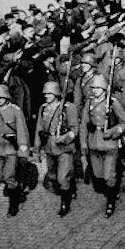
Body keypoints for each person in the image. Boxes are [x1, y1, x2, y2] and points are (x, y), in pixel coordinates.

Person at [80, 74, 125, 217]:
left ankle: (111, 201)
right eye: (93, 88)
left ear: (104, 89)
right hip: (94, 142)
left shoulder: (113, 103)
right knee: (98, 174)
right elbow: (84, 125)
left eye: (98, 88)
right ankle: (112, 186)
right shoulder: (89, 103)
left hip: (109, 143)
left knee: (109, 176)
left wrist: (113, 131)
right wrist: (83, 143)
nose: (95, 90)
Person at [33, 81, 79, 217]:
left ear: (56, 94)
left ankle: (65, 204)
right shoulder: (43, 108)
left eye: (49, 93)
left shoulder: (67, 107)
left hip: (64, 147)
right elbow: (39, 129)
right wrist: (36, 149)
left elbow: (75, 129)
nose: (46, 96)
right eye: (45, 93)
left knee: (62, 178)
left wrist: (64, 138)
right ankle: (70, 185)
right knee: (52, 176)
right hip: (49, 146)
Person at [0, 84, 29, 216]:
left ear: (7, 97)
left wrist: (23, 149)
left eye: (1, 97)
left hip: (11, 148)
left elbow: (21, 129)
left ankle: (13, 205)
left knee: (9, 176)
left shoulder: (15, 110)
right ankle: (17, 190)